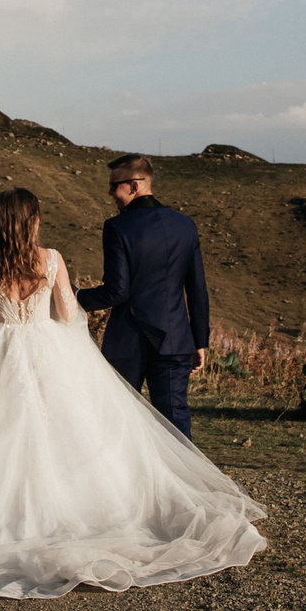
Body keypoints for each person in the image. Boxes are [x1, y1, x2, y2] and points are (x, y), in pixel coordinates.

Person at [0, 187, 266, 602]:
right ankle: (71, 513)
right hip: (50, 351)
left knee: (0, 440)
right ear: (32, 221)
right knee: (69, 434)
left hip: (0, 358)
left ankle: (5, 519)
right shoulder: (51, 259)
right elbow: (69, 312)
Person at [72, 154, 210, 438]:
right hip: (174, 339)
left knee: (118, 420)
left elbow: (116, 291)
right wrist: (200, 341)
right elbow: (197, 288)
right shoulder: (185, 225)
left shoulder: (117, 227)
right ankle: (181, 468)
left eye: (114, 185)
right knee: (175, 422)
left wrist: (73, 296)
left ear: (134, 185)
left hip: (129, 339)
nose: (110, 192)